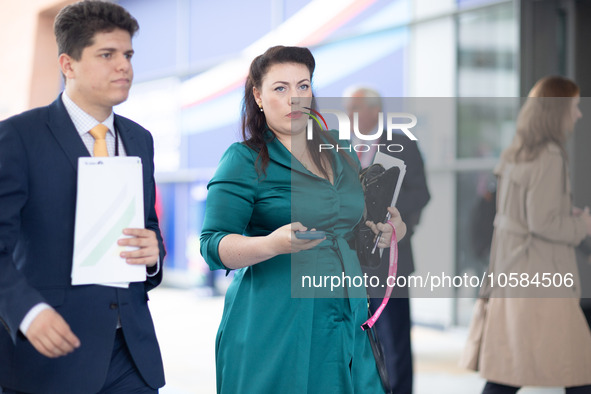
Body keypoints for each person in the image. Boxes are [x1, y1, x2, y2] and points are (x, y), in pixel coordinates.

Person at [200, 46, 406, 393]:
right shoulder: (243, 159)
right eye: (280, 88)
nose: (295, 98)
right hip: (276, 322)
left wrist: (385, 230)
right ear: (258, 96)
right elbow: (212, 245)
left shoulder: (339, 152)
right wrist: (271, 244)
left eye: (303, 86)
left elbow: (351, 226)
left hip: (345, 317)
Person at [0, 2, 165, 393]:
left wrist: (153, 253)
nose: (123, 66)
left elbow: (149, 227)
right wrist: (26, 311)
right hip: (50, 358)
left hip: (132, 357)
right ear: (67, 64)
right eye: (106, 55)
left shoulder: (140, 139)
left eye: (127, 55)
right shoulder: (18, 138)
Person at [460, 76, 591, 394]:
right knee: (578, 369)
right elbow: (543, 223)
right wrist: (583, 224)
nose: (578, 114)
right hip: (542, 278)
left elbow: (522, 213)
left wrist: (563, 214)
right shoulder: (550, 156)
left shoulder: (516, 153)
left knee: (510, 369)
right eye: (574, 107)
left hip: (514, 272)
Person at [344, 86, 430, 394]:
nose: (350, 115)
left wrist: (386, 212)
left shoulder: (402, 144)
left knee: (395, 341)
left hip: (391, 260)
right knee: (353, 337)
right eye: (348, 109)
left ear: (375, 111)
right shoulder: (339, 148)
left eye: (356, 108)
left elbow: (421, 192)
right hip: (350, 262)